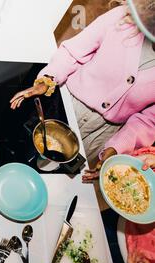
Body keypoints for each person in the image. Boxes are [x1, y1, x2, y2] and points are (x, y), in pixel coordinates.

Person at [10, 1, 155, 167]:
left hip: (99, 135)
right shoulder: (123, 18)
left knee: (56, 175)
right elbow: (73, 53)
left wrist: (117, 148)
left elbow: (149, 121)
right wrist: (48, 79)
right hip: (63, 105)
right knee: (21, 153)